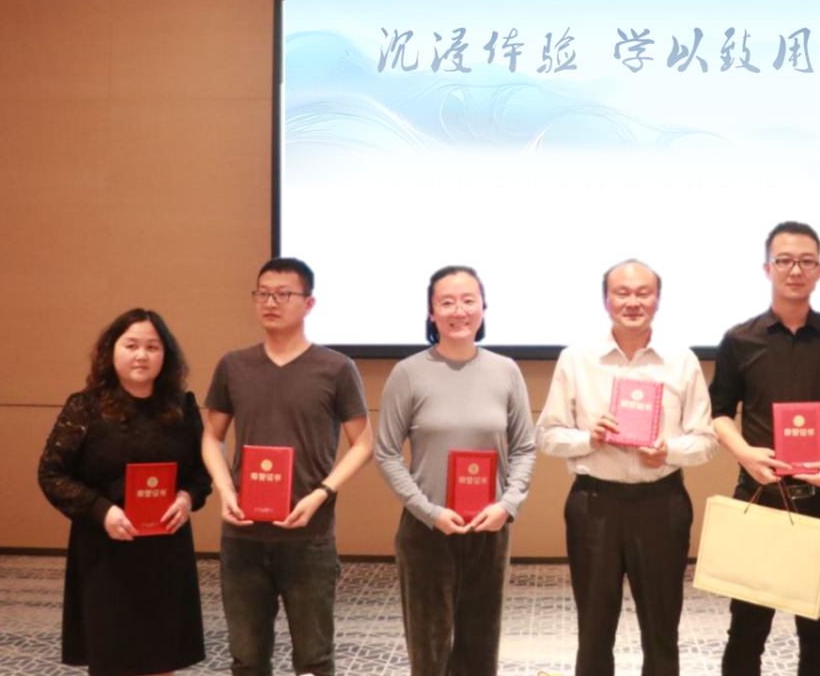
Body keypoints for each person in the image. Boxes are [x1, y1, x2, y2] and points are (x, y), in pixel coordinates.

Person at [537, 259, 715, 676]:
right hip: (594, 505)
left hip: (662, 504)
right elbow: (546, 435)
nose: (633, 302)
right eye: (622, 293)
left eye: (643, 293)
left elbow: (706, 441)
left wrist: (669, 451)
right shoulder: (577, 359)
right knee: (594, 630)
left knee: (662, 630)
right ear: (606, 300)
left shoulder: (681, 360)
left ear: (657, 299)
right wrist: (589, 439)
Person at [201, 257, 374, 676]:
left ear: (309, 303)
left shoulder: (336, 368)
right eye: (262, 294)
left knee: (314, 659)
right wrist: (225, 490)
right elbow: (211, 437)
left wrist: (322, 494)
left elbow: (364, 444)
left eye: (283, 294)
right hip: (242, 536)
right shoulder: (234, 365)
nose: (270, 302)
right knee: (247, 658)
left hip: (309, 537)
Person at [710, 221, 820, 676]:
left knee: (819, 631)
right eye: (784, 261)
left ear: (819, 270)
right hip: (761, 498)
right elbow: (719, 412)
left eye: (805, 261)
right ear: (767, 268)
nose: (795, 270)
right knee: (746, 630)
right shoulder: (740, 339)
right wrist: (745, 453)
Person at [375, 265, 537, 676]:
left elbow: (525, 447)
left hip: (489, 529)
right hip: (426, 530)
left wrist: (507, 505)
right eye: (446, 302)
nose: (458, 311)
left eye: (468, 300)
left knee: (480, 649)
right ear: (431, 313)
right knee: (429, 652)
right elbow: (386, 452)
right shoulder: (408, 373)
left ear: (484, 307)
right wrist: (428, 511)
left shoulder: (506, 370)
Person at [38, 308, 212, 676]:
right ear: (111, 351)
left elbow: (201, 473)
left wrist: (186, 498)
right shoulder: (85, 407)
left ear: (166, 355)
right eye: (131, 345)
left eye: (152, 347)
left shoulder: (181, 407)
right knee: (112, 655)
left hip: (166, 550)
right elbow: (52, 473)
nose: (141, 355)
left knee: (162, 655)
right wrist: (102, 511)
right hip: (105, 550)